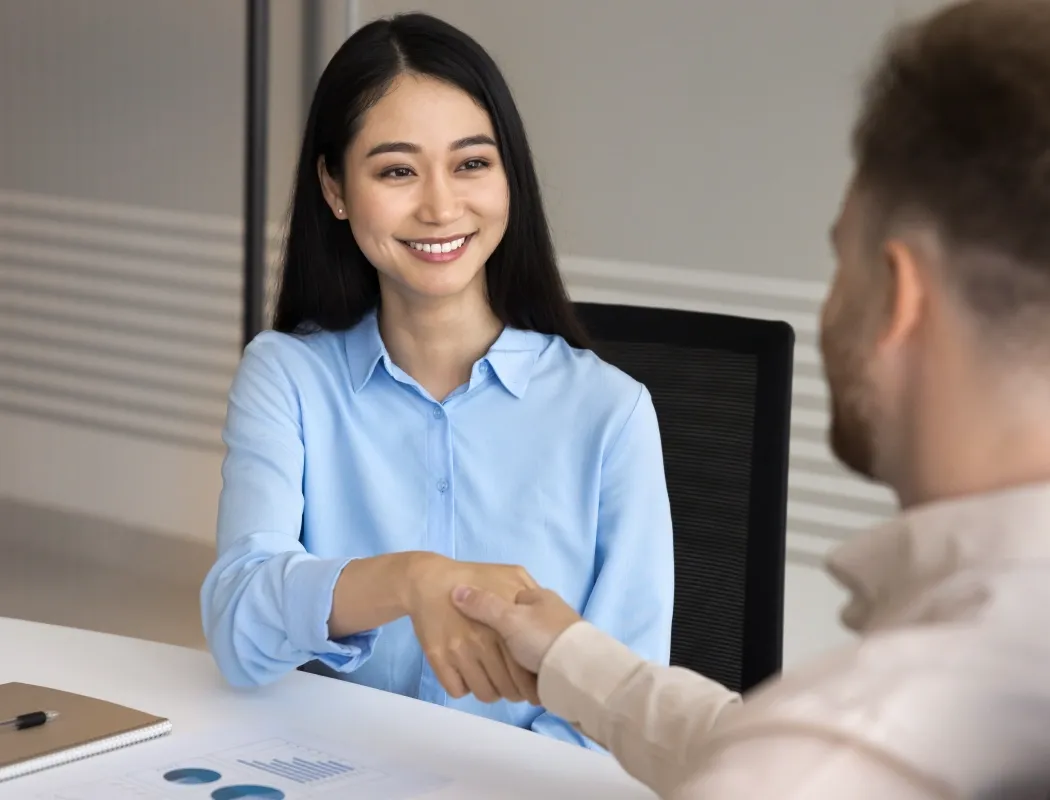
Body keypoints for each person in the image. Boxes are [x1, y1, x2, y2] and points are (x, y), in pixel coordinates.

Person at [450, 0, 1050, 796]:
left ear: (901, 296)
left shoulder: (838, 755)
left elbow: (806, 759)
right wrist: (576, 660)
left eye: (844, 261)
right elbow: (775, 743)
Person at [198, 12, 674, 750]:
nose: (441, 207)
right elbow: (239, 626)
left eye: (471, 164)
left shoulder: (609, 413)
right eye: (396, 170)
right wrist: (409, 579)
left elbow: (621, 709)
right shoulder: (286, 376)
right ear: (334, 187)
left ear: (509, 174)